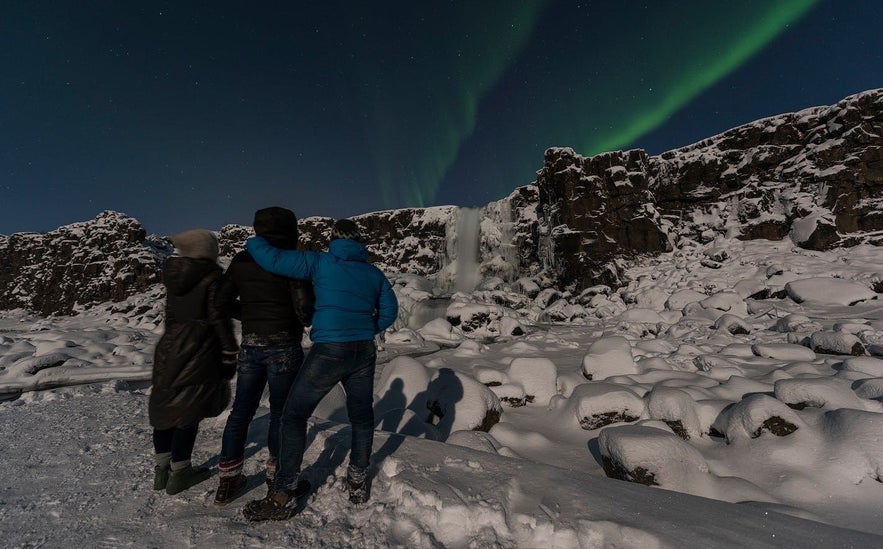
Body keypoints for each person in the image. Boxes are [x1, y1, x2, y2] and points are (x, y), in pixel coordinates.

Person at [242, 218, 398, 521]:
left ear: (333, 239)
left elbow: (273, 260)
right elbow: (391, 310)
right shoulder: (373, 273)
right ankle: (357, 481)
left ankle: (283, 493)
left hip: (329, 350)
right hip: (363, 350)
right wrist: (367, 327)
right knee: (362, 417)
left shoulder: (319, 263)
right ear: (358, 241)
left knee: (293, 415)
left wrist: (254, 240)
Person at [212, 207, 315, 508]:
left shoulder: (242, 260)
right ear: (290, 230)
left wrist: (249, 315)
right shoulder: (290, 260)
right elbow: (305, 313)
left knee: (241, 411)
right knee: (280, 414)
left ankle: (228, 481)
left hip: (252, 344)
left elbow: (219, 302)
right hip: (284, 344)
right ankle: (277, 479)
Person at [149, 229, 237, 495]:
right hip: (200, 345)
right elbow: (218, 317)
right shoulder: (212, 278)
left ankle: (161, 471)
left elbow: (170, 317)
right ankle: (180, 473)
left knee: (165, 406)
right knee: (188, 409)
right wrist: (229, 353)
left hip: (169, 344)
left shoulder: (174, 277)